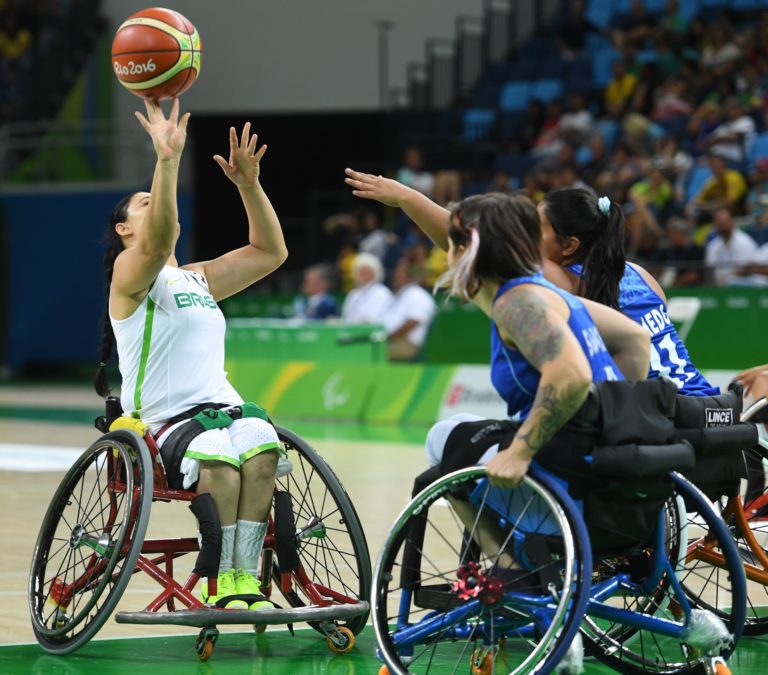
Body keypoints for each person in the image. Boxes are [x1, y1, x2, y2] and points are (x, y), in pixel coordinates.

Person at [94, 98, 289, 610]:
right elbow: (159, 242)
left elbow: (271, 252)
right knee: (220, 462)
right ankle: (218, 575)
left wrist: (249, 185)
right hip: (163, 423)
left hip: (223, 408)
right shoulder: (131, 276)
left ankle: (243, 578)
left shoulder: (197, 278)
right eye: (143, 203)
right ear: (124, 231)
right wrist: (167, 161)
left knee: (263, 449)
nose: (153, 207)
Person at [343, 186, 650, 487]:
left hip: (571, 460)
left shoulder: (517, 304)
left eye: (450, 245)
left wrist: (520, 452)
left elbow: (570, 374)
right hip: (609, 449)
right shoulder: (547, 295)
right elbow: (635, 338)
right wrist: (624, 424)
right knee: (455, 426)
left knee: (441, 442)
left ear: (466, 250)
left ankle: (491, 539)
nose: (446, 255)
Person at [343, 170, 716, 397]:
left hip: (658, 420)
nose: (526, 235)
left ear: (569, 245)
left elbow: (474, 249)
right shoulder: (641, 275)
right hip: (703, 406)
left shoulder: (559, 278)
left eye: (536, 228)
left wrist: (408, 198)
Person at [384, 256, 437, 361]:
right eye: (396, 273)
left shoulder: (417, 295)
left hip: (407, 344)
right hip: (393, 340)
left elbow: (413, 322)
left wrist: (388, 337)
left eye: (399, 274)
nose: (395, 277)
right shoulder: (400, 294)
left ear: (409, 277)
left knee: (370, 352)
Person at [704, 208, 758, 286]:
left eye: (725, 222)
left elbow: (743, 270)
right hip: (718, 285)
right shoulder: (713, 245)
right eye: (720, 222)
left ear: (732, 222)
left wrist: (725, 280)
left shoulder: (744, 242)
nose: (722, 225)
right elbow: (709, 269)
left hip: (742, 284)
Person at [340, 252, 393, 324]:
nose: (362, 275)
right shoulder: (353, 294)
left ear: (375, 273)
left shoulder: (382, 293)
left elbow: (375, 319)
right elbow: (346, 317)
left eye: (366, 271)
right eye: (360, 271)